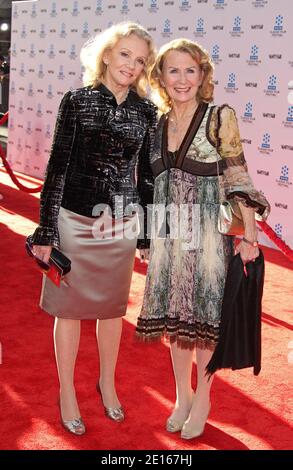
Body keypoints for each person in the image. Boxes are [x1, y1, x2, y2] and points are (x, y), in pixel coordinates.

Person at [136, 39, 270, 440]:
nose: (182, 79)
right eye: (172, 71)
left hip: (208, 238)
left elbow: (236, 173)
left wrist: (249, 232)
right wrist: (147, 237)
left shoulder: (218, 116)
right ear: (160, 76)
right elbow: (150, 187)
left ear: (203, 74)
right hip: (169, 237)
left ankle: (204, 398)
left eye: (190, 70)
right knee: (177, 324)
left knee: (206, 322)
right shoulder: (156, 123)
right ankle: (182, 396)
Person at [30, 22, 157, 435]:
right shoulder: (78, 101)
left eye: (140, 60)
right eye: (125, 55)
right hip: (74, 220)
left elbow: (147, 178)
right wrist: (47, 230)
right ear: (106, 54)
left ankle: (107, 382)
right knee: (68, 312)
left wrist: (145, 234)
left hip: (119, 224)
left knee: (111, 311)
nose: (131, 66)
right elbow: (57, 167)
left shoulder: (146, 110)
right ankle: (66, 390)